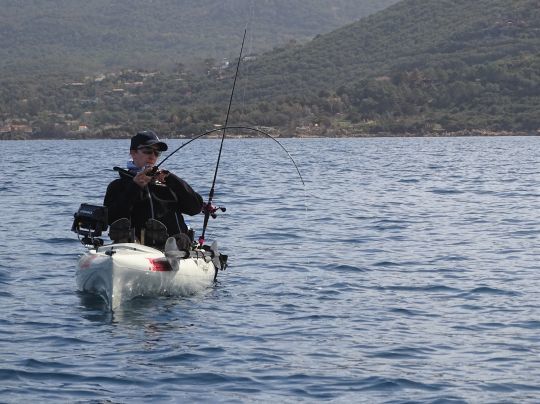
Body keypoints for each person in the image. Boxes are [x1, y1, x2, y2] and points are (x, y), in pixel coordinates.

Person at [104, 130, 203, 249]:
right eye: (147, 151)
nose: (152, 157)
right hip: (135, 251)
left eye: (157, 153)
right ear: (133, 153)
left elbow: (195, 208)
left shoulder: (169, 185)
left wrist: (172, 180)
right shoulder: (118, 186)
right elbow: (111, 219)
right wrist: (135, 187)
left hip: (174, 251)